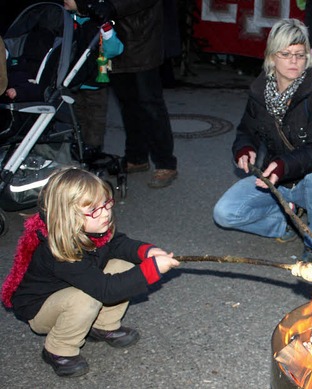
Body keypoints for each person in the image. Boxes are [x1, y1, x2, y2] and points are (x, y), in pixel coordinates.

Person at [0, 167, 180, 377]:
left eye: (106, 204)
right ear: (67, 217)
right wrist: (152, 269)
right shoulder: (58, 251)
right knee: (88, 297)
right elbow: (106, 290)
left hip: (74, 287)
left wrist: (146, 251)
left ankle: (103, 325)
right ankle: (58, 349)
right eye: (94, 210)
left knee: (124, 264)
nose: (105, 213)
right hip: (42, 310)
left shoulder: (93, 228)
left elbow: (119, 244)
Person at [213, 19, 312, 262]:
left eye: (300, 55)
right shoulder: (260, 91)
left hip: (305, 180)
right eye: (286, 54)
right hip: (272, 180)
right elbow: (244, 130)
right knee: (224, 214)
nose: (294, 61)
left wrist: (284, 165)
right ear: (272, 57)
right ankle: (285, 223)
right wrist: (244, 149)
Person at [76, 0, 178, 188]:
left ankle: (165, 163)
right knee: (127, 103)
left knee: (150, 103)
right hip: (113, 39)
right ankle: (137, 156)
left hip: (141, 38)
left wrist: (112, 7)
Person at [64, 0, 124, 162]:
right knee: (76, 119)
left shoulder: (98, 22)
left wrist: (106, 29)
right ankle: (78, 148)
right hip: (72, 81)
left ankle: (93, 150)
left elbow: (115, 49)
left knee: (95, 120)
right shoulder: (68, 20)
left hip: (95, 81)